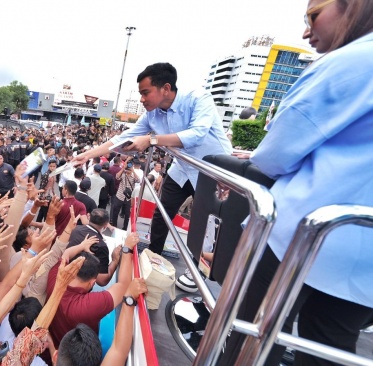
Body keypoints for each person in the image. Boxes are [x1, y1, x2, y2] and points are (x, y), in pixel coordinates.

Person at [220, 1, 373, 364]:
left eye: (313, 16)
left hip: (301, 237)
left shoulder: (351, 61)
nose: (307, 31)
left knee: (250, 340)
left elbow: (275, 154)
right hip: (363, 260)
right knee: (326, 351)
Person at [73, 62, 232, 254]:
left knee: (205, 224)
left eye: (145, 92)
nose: (141, 99)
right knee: (162, 213)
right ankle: (153, 254)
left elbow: (197, 134)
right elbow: (122, 138)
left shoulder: (198, 98)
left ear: (165, 88)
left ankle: (198, 270)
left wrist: (151, 140)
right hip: (182, 168)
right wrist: (86, 155)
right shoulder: (151, 114)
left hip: (211, 171)